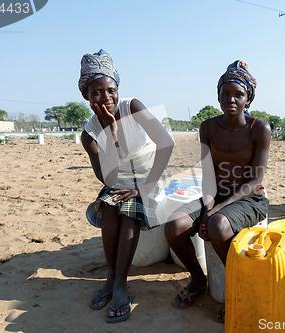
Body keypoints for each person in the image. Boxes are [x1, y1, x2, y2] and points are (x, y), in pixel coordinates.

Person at [164, 60, 271, 322]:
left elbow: (253, 181)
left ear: (249, 99)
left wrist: (214, 213)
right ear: (218, 95)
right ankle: (198, 279)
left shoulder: (259, 129)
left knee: (219, 226)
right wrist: (208, 208)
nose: (231, 99)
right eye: (226, 93)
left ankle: (239, 289)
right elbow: (208, 176)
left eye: (239, 94)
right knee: (174, 225)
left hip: (250, 198)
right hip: (216, 195)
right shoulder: (208, 127)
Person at [79, 49, 174, 323]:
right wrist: (110, 129)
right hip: (118, 182)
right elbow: (108, 179)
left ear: (117, 88)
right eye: (96, 92)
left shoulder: (132, 107)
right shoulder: (89, 134)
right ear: (86, 96)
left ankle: (120, 284)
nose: (105, 98)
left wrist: (146, 187)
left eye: (110, 90)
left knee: (129, 208)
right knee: (110, 206)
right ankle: (111, 277)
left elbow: (166, 143)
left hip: (149, 177)